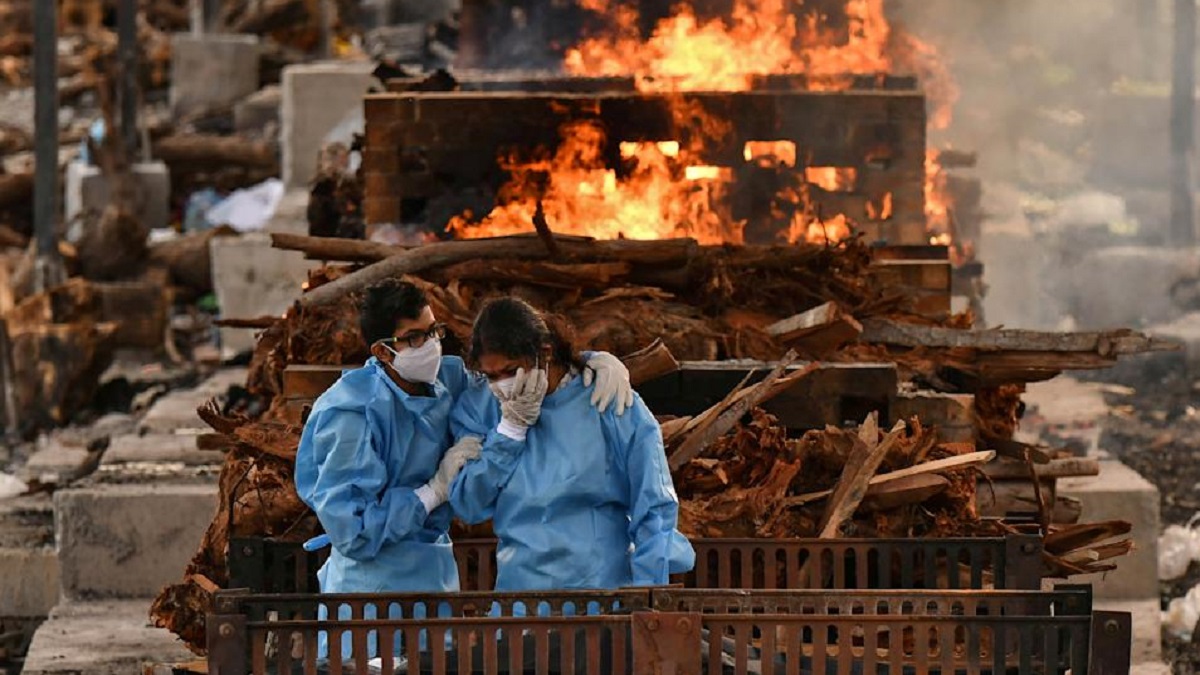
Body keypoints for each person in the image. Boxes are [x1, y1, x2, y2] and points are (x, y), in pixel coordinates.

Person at [293, 280, 634, 661]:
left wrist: (589, 360)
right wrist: (433, 492)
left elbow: (512, 363)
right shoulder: (350, 415)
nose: (431, 346)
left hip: (434, 576)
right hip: (368, 592)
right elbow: (352, 532)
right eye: (414, 338)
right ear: (382, 351)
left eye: (434, 331)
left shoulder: (446, 378)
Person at [449, 297, 695, 593]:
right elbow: (468, 504)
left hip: (602, 597)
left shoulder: (606, 399)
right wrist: (508, 433)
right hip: (521, 603)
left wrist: (647, 593)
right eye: (491, 375)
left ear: (545, 353)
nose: (502, 384)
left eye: (511, 370)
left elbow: (654, 506)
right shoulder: (482, 408)